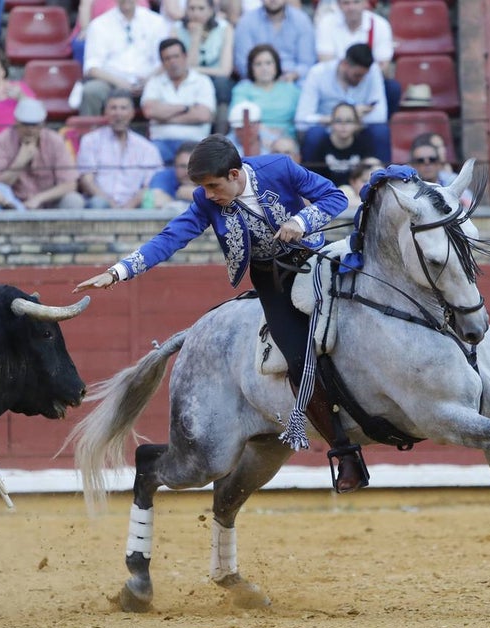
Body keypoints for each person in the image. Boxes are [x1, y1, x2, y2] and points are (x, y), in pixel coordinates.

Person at [73, 134, 367, 491]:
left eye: (213, 186)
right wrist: (119, 271)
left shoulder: (279, 167)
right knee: (297, 356)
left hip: (316, 260)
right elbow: (170, 238)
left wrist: (302, 222)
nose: (208, 195)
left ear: (234, 173)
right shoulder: (205, 199)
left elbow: (334, 196)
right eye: (203, 187)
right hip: (272, 280)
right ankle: (345, 451)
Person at [295, 43, 390, 163]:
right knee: (314, 135)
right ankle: (309, 180)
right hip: (328, 129)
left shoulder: (373, 71)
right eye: (357, 75)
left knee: (380, 131)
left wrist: (350, 122)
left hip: (360, 129)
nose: (361, 80)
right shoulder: (318, 73)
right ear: (345, 64)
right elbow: (301, 119)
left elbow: (380, 117)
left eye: (364, 76)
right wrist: (339, 118)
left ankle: (384, 178)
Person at [0, 98, 85, 210]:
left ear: (43, 124)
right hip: (13, 203)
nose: (30, 130)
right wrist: (19, 162)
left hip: (49, 201)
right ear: (16, 122)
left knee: (74, 200)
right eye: (25, 124)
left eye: (34, 125)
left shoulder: (55, 141)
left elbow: (70, 184)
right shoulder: (3, 140)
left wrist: (39, 198)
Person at [78, 0, 167, 117]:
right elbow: (92, 67)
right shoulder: (99, 24)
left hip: (150, 81)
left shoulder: (156, 22)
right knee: (91, 91)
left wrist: (148, 79)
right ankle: (89, 133)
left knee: (170, 86)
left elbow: (164, 61)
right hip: (111, 83)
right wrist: (120, 83)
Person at [77, 89, 162, 209]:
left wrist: (128, 207)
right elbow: (87, 181)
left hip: (135, 206)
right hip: (101, 204)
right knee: (97, 203)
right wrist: (112, 205)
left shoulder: (147, 148)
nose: (118, 113)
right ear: (105, 112)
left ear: (132, 113)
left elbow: (149, 185)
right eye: (113, 108)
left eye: (123, 108)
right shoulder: (90, 141)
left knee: (152, 201)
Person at [314, 0, 398, 116]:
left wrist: (358, 76)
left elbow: (383, 66)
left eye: (356, 2)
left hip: (367, 80)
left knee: (392, 88)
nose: (351, 7)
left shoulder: (380, 25)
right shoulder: (327, 23)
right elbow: (325, 62)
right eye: (346, 3)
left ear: (365, 3)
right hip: (336, 82)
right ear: (338, 5)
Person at [141, 38, 215, 165]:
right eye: (167, 58)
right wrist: (186, 108)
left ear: (185, 57)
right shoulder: (154, 82)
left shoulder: (202, 81)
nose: (172, 62)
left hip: (194, 142)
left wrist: (163, 117)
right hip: (160, 143)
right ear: (162, 62)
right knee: (147, 157)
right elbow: (149, 111)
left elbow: (203, 115)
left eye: (176, 56)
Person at [170, 0, 234, 114]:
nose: (196, 13)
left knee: (222, 84)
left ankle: (220, 128)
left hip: (215, 78)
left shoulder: (225, 28)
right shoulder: (176, 29)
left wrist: (196, 70)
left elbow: (225, 71)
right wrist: (195, 37)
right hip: (187, 79)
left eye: (201, 8)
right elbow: (183, 69)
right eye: (192, 8)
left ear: (210, 10)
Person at [230, 43, 299, 142]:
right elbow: (238, 118)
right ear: (251, 68)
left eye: (268, 63)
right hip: (250, 139)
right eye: (258, 64)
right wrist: (266, 134)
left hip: (285, 140)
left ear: (276, 65)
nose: (264, 68)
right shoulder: (242, 89)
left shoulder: (292, 90)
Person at [233, 0, 314, 83]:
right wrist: (266, 79)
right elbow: (243, 64)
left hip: (293, 81)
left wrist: (293, 75)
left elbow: (307, 63)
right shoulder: (246, 22)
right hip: (256, 82)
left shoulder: (301, 20)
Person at [303, 101, 375, 186]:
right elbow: (314, 179)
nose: (343, 125)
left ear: (356, 124)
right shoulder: (320, 146)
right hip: (327, 194)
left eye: (348, 121)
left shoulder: (364, 144)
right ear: (331, 123)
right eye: (338, 120)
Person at [70, 0, 148, 65]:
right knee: (83, 45)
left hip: (128, 35)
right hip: (95, 33)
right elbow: (85, 7)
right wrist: (85, 29)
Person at [410, 132, 473, 207]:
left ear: (439, 163)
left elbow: (470, 203)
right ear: (413, 165)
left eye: (432, 159)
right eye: (420, 161)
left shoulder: (451, 180)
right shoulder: (408, 185)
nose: (427, 164)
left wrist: (461, 202)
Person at [147, 139, 197, 210]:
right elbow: (157, 200)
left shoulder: (212, 176)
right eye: (182, 166)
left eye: (193, 166)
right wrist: (177, 200)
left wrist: (196, 195)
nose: (187, 172)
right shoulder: (165, 176)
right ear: (174, 166)